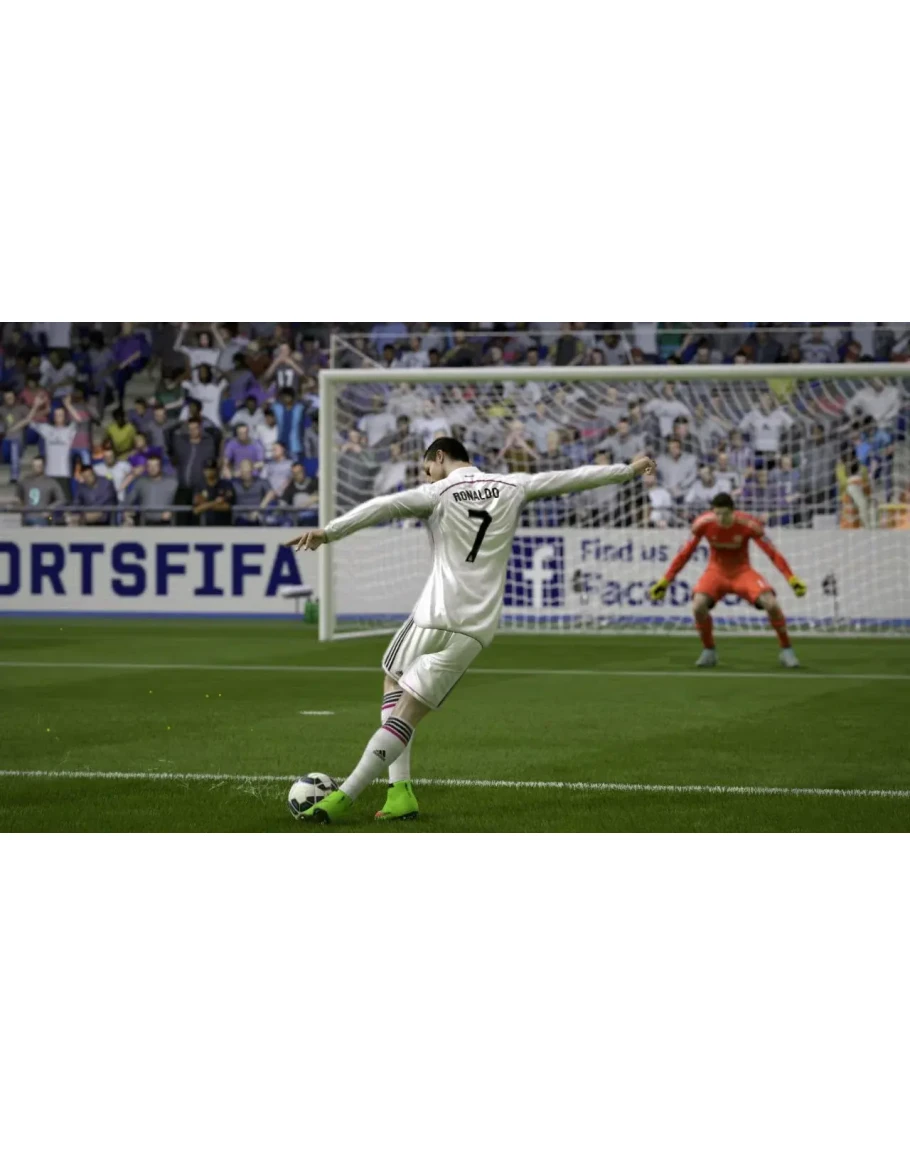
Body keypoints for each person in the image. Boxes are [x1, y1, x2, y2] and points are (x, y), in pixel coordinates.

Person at [284, 436, 654, 824]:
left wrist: (330, 531)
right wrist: (626, 471)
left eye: (427, 468)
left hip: (435, 613)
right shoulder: (514, 485)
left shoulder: (438, 493)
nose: (427, 476)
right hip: (477, 627)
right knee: (408, 714)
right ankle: (390, 796)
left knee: (393, 680)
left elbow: (383, 506)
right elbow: (572, 477)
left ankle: (379, 791)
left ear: (440, 456)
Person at [649, 492, 807, 669]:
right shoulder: (703, 523)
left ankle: (786, 650)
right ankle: (709, 651)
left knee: (771, 604)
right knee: (698, 606)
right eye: (717, 514)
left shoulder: (749, 524)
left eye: (724, 514)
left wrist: (791, 578)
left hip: (742, 572)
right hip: (716, 572)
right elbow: (684, 554)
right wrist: (665, 581)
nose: (720, 518)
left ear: (733, 512)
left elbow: (772, 553)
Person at [126, 454, 178, 525]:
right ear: (146, 467)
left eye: (155, 465)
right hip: (145, 523)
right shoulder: (140, 482)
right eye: (149, 466)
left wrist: (172, 512)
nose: (152, 468)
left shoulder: (172, 483)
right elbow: (128, 501)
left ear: (160, 467)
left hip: (166, 524)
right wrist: (127, 515)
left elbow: (181, 503)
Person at [15, 455, 65, 525]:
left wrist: (49, 509)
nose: (36, 468)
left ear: (43, 466)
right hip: (27, 517)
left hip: (44, 517)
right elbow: (18, 497)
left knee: (45, 521)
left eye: (39, 466)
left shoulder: (51, 482)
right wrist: (22, 508)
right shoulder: (25, 481)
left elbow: (61, 500)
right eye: (34, 466)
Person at [193, 459, 235, 526]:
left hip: (224, 525)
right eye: (206, 469)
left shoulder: (226, 484)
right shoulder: (200, 486)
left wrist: (205, 506)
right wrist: (216, 502)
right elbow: (196, 510)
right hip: (206, 526)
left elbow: (227, 506)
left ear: (216, 470)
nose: (208, 471)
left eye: (211, 469)